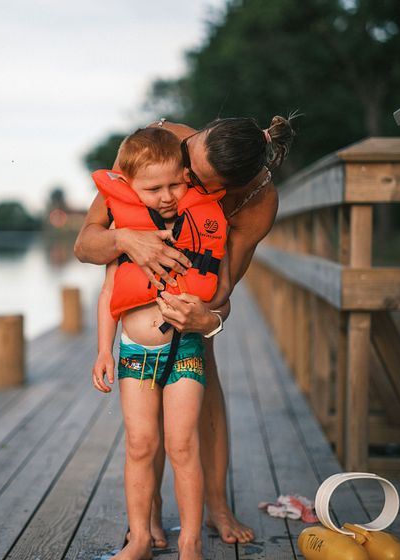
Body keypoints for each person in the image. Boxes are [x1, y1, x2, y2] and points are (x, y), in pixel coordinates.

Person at [76, 115, 295, 545]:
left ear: (226, 188)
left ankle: (215, 507)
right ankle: (149, 515)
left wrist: (206, 320)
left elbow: (221, 291)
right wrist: (125, 239)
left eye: (194, 179)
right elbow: (85, 245)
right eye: (187, 159)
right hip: (138, 317)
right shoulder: (164, 144)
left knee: (200, 378)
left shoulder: (256, 204)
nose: (184, 179)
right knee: (143, 430)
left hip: (191, 305)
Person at [90, 127, 228, 560]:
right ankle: (141, 540)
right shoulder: (125, 227)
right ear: (130, 187)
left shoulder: (198, 224)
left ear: (186, 176)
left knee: (182, 444)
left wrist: (209, 318)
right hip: (134, 353)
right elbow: (110, 293)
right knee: (139, 444)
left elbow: (221, 288)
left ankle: (190, 542)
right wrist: (102, 351)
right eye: (153, 188)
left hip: (183, 350)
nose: (167, 196)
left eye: (175, 184)